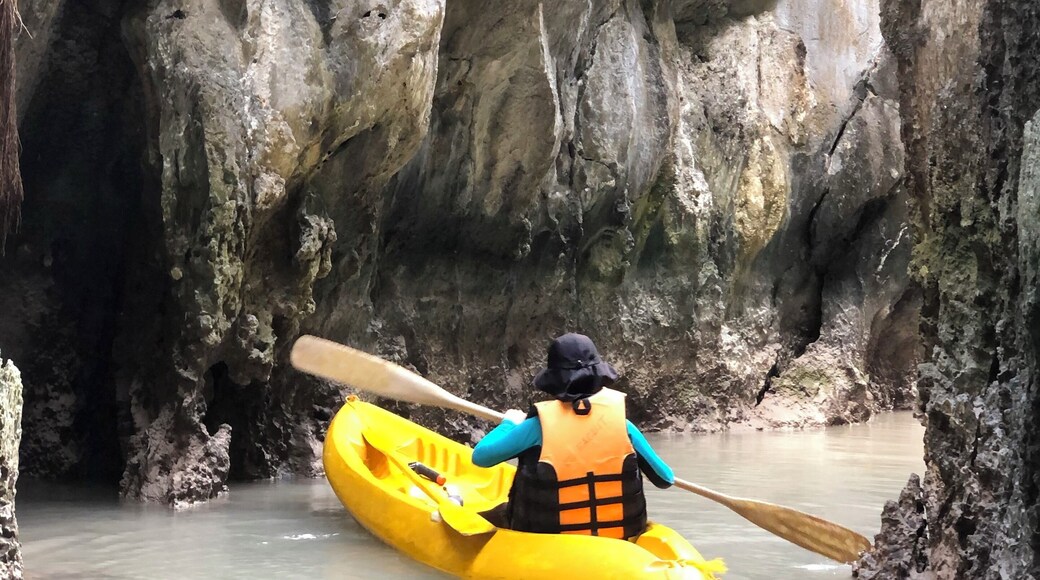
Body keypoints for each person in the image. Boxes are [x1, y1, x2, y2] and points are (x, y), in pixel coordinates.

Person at [471, 333, 674, 540]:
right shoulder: (623, 426)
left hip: (549, 539)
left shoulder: (536, 427)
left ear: (553, 381)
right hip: (621, 538)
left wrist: (509, 424)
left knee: (482, 516)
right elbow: (665, 479)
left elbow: (480, 456)